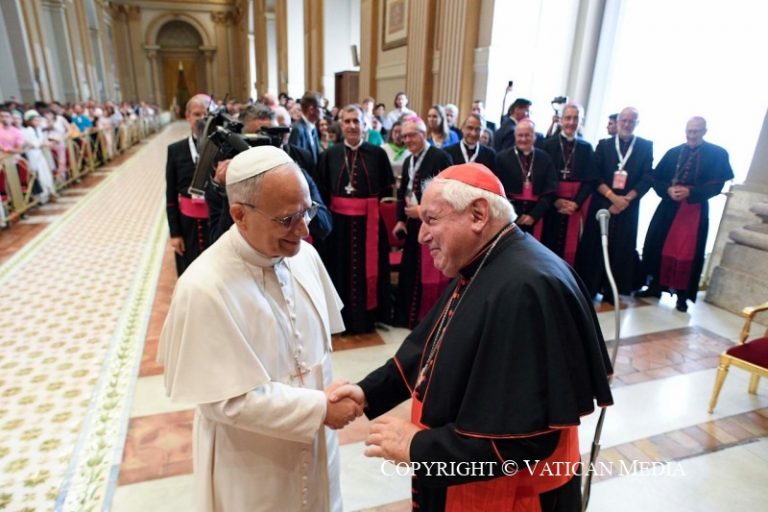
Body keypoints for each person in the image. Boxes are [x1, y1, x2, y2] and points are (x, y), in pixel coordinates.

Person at [331, 163, 614, 511]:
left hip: (513, 496)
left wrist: (419, 447)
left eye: (432, 220)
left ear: (478, 215)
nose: (421, 236)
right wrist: (367, 392)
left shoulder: (526, 289)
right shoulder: (487, 261)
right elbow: (429, 346)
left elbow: (524, 440)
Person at [159, 145, 362, 512]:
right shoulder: (204, 286)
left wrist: (331, 399)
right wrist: (319, 408)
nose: (303, 230)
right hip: (253, 462)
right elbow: (225, 400)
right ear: (240, 214)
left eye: (307, 211)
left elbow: (318, 355)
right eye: (287, 219)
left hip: (317, 447)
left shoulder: (305, 256)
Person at [638, 116, 733, 312]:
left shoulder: (717, 154)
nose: (692, 135)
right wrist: (667, 190)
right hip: (668, 208)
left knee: (686, 252)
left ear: (704, 131)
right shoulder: (674, 152)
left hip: (693, 210)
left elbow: (717, 185)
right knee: (658, 245)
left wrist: (691, 192)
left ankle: (682, 296)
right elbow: (655, 178)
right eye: (689, 131)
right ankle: (655, 286)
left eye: (696, 131)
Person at [316, 105, 395, 334]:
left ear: (364, 124)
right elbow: (321, 191)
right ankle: (339, 320)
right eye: (347, 121)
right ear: (341, 125)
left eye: (356, 121)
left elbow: (387, 190)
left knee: (367, 271)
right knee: (339, 269)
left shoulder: (377, 154)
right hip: (338, 226)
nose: (352, 126)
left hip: (369, 224)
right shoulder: (329, 155)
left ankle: (367, 319)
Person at [575, 106, 653, 303]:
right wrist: (612, 197)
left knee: (621, 249)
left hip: (629, 206)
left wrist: (627, 199)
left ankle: (612, 291)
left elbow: (647, 177)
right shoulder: (604, 145)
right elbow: (595, 175)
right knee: (595, 247)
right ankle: (591, 287)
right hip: (603, 203)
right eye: (623, 120)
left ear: (637, 123)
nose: (627, 124)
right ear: (617, 122)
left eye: (631, 121)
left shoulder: (645, 146)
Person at [392, 116, 452, 329]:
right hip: (412, 226)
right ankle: (408, 318)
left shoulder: (440, 157)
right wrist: (401, 220)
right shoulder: (409, 159)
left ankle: (426, 320)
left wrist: (422, 211)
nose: (407, 140)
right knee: (411, 271)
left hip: (433, 225)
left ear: (423, 134)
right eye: (404, 136)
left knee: (429, 272)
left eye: (411, 135)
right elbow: (403, 192)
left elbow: (447, 195)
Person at [540, 103, 598, 265]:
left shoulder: (586, 147)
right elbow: (542, 177)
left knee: (572, 249)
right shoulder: (548, 145)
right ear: (560, 120)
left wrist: (576, 203)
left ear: (581, 121)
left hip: (575, 206)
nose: (571, 122)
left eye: (575, 118)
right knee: (548, 244)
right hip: (552, 205)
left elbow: (590, 180)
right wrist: (555, 200)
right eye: (568, 118)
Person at [165, 94, 211, 276]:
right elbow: (170, 195)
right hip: (187, 224)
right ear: (188, 116)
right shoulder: (175, 150)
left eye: (206, 114)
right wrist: (175, 233)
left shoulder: (221, 147)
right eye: (197, 114)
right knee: (189, 272)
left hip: (214, 221)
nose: (202, 119)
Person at [495, 119, 558, 241]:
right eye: (520, 135)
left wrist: (534, 215)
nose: (523, 139)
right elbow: (498, 191)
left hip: (537, 217)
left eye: (527, 135)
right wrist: (516, 214)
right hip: (510, 215)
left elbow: (550, 191)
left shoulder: (545, 159)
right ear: (515, 136)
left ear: (535, 136)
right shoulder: (501, 158)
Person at [289, 91, 323, 164]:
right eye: (321, 107)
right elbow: (295, 160)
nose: (323, 110)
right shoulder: (297, 129)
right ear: (311, 109)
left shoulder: (313, 126)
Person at [381, 119, 410, 186]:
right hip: (387, 183)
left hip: (405, 184)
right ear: (391, 133)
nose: (397, 135)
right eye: (395, 131)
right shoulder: (383, 148)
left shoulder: (409, 150)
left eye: (400, 132)